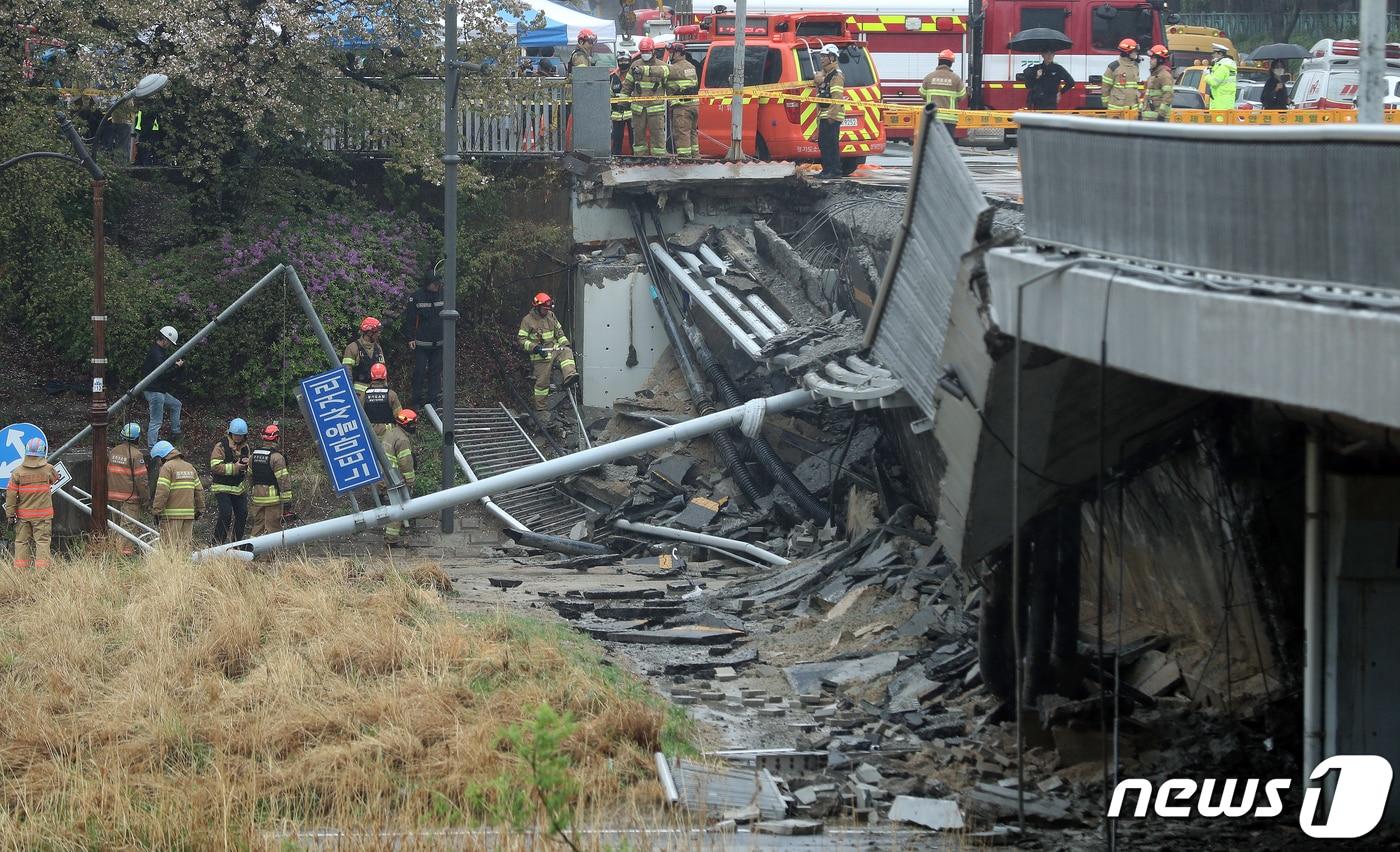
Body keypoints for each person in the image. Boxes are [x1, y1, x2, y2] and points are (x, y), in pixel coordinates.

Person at [518, 292, 578, 413]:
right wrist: (535, 347)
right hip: (540, 355)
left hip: (553, 349)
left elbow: (559, 332)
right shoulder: (527, 320)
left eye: (548, 308)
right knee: (542, 384)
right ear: (537, 307)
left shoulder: (551, 315)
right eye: (544, 309)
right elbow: (521, 340)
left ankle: (570, 376)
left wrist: (565, 343)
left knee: (566, 351)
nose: (546, 311)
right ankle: (541, 410)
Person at [5, 437, 58, 569]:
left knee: (21, 542)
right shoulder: (48, 469)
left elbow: (11, 495)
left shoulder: (17, 472)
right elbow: (55, 479)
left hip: (23, 516)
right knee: (43, 542)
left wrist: (10, 514)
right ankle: (42, 573)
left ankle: (21, 572)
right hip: (43, 516)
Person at [151, 439, 203, 550]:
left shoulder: (167, 467)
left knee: (169, 549)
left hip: (171, 516)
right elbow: (199, 490)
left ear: (162, 456)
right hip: (189, 516)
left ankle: (169, 568)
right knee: (185, 549)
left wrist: (157, 511)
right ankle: (184, 567)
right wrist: (200, 510)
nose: (159, 463)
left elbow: (162, 492)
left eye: (158, 459)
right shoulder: (190, 467)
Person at [623, 37, 670, 156]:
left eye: (647, 52)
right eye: (643, 52)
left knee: (658, 135)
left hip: (656, 110)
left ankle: (659, 158)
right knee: (638, 137)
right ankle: (640, 158)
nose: (645, 54)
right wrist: (622, 101)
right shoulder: (635, 65)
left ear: (653, 51)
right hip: (638, 110)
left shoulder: (662, 67)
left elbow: (669, 86)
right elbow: (628, 84)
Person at [109, 422, 150, 556]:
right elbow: (141, 481)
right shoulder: (136, 455)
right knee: (128, 529)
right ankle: (125, 556)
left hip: (113, 497)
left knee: (115, 526)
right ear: (137, 437)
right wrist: (146, 499)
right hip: (130, 499)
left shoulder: (113, 451)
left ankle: (115, 552)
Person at [142, 325, 184, 448]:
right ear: (164, 339)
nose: (169, 345)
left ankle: (175, 432)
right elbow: (162, 374)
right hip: (155, 391)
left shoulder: (159, 352)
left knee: (176, 404)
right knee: (156, 421)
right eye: (169, 342)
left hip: (159, 390)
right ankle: (152, 447)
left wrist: (177, 368)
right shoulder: (157, 354)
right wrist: (176, 367)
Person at [209, 418, 250, 545]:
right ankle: (216, 544)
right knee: (226, 514)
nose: (238, 437)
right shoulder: (220, 446)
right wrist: (235, 467)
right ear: (231, 433)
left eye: (241, 435)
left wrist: (248, 466)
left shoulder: (245, 447)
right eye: (236, 435)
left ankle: (236, 544)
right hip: (222, 487)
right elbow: (215, 466)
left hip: (238, 488)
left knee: (242, 514)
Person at [407, 272, 444, 409]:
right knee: (419, 371)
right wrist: (411, 337)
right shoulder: (416, 297)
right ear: (428, 284)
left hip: (439, 343)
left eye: (437, 284)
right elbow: (410, 319)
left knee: (435, 372)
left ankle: (432, 401)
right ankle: (416, 401)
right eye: (434, 284)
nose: (436, 287)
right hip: (422, 343)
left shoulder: (443, 294)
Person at [249, 424, 294, 538]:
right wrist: (287, 501)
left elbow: (250, 477)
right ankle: (272, 555)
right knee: (273, 530)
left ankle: (254, 553)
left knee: (257, 528)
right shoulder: (277, 458)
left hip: (257, 499)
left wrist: (253, 491)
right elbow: (283, 481)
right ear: (277, 439)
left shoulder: (253, 456)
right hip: (273, 501)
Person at [382, 409, 418, 548]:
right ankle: (391, 539)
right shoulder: (402, 440)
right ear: (408, 424)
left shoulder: (391, 432)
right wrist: (410, 480)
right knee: (398, 506)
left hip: (384, 474)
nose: (416, 425)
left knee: (391, 504)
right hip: (394, 478)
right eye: (414, 423)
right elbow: (405, 463)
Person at [814, 44, 848, 178]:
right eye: (821, 56)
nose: (821, 59)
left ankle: (834, 171)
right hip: (824, 114)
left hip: (832, 116)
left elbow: (837, 97)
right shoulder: (827, 74)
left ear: (832, 57)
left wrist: (832, 116)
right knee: (823, 144)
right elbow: (820, 80)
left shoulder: (836, 76)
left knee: (830, 145)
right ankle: (827, 170)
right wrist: (820, 76)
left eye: (824, 56)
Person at [920, 49, 967, 134]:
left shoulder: (929, 77)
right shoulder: (955, 78)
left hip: (932, 118)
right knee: (946, 145)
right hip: (949, 120)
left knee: (933, 144)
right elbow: (962, 96)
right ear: (951, 63)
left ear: (939, 61)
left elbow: (922, 93)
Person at [667, 42, 699, 158]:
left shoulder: (675, 68)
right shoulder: (691, 67)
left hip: (682, 107)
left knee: (682, 133)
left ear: (679, 53)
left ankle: (685, 159)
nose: (670, 55)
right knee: (692, 132)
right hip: (694, 106)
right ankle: (695, 157)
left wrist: (644, 70)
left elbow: (661, 72)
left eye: (671, 52)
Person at [341, 316, 385, 395]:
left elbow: (383, 372)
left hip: (376, 394)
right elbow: (347, 372)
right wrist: (350, 393)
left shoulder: (378, 348)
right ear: (369, 333)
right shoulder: (352, 348)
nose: (379, 334)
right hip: (358, 394)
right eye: (377, 331)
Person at [358, 362, 404, 437]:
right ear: (385, 375)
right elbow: (400, 417)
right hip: (389, 436)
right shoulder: (391, 395)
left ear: (371, 376)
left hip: (370, 435)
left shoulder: (364, 395)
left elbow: (359, 416)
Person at [1102, 38, 1143, 113]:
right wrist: (1106, 105)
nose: (1136, 54)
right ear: (1127, 53)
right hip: (1117, 110)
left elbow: (1136, 87)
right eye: (1134, 51)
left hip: (1133, 110)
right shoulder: (1114, 66)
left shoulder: (1135, 66)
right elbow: (1105, 88)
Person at [1141, 44, 1174, 122]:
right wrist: (1140, 111)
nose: (1150, 61)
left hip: (1157, 120)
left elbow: (1168, 96)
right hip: (1148, 119)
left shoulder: (1164, 76)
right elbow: (1147, 95)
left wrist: (1161, 115)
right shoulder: (1153, 75)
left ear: (1160, 60)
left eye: (1153, 58)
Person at [611, 53, 635, 154]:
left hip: (632, 113)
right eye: (620, 61)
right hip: (617, 114)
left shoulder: (634, 76)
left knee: (634, 139)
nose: (623, 63)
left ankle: (636, 157)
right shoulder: (613, 77)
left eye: (625, 60)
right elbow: (610, 94)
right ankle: (616, 158)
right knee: (617, 138)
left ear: (629, 61)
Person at [1205, 43, 1237, 111]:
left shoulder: (1222, 67)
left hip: (1219, 103)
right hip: (1226, 102)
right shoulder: (1228, 65)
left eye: (1214, 53)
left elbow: (1214, 82)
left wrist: (1207, 75)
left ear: (1220, 54)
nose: (1212, 55)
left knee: (1219, 121)